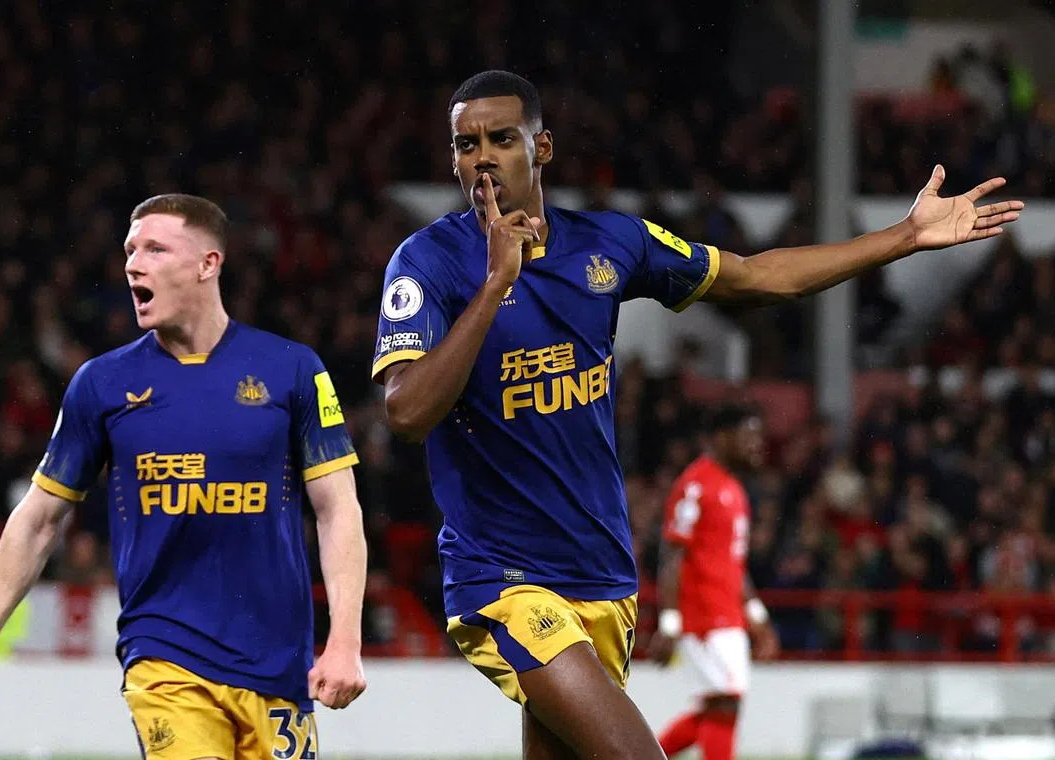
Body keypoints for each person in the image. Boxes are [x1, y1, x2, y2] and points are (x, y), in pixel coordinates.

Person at [371, 68, 1023, 759]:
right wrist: (497, 282)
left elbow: (758, 276)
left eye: (501, 138)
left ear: (543, 147)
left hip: (602, 577)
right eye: (465, 144)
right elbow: (405, 411)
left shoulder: (610, 245)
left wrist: (903, 237)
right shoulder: (429, 263)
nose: (482, 159)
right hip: (501, 577)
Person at [0, 194, 369, 760]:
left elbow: (338, 508)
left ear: (207, 263)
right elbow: (39, 519)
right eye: (129, 251)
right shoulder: (102, 384)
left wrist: (344, 641)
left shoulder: (292, 370)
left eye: (154, 248)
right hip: (164, 654)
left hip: (277, 663)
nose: (133, 264)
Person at [649, 404, 779, 760]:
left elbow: (734, 564)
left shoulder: (734, 490)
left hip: (727, 614)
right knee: (726, 702)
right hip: (704, 614)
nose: (757, 444)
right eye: (749, 435)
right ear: (723, 437)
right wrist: (670, 623)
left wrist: (757, 617)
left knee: (719, 707)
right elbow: (672, 557)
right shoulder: (695, 485)